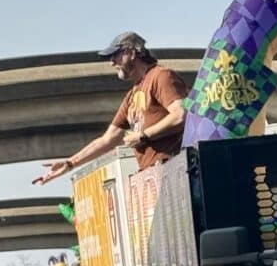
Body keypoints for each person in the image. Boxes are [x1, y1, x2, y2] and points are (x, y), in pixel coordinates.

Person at [34, 31, 188, 184]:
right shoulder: (132, 96)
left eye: (115, 55)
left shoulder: (161, 76)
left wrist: (143, 135)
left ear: (131, 53)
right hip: (152, 175)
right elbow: (107, 140)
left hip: (172, 170)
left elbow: (180, 115)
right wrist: (70, 163)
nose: (112, 63)